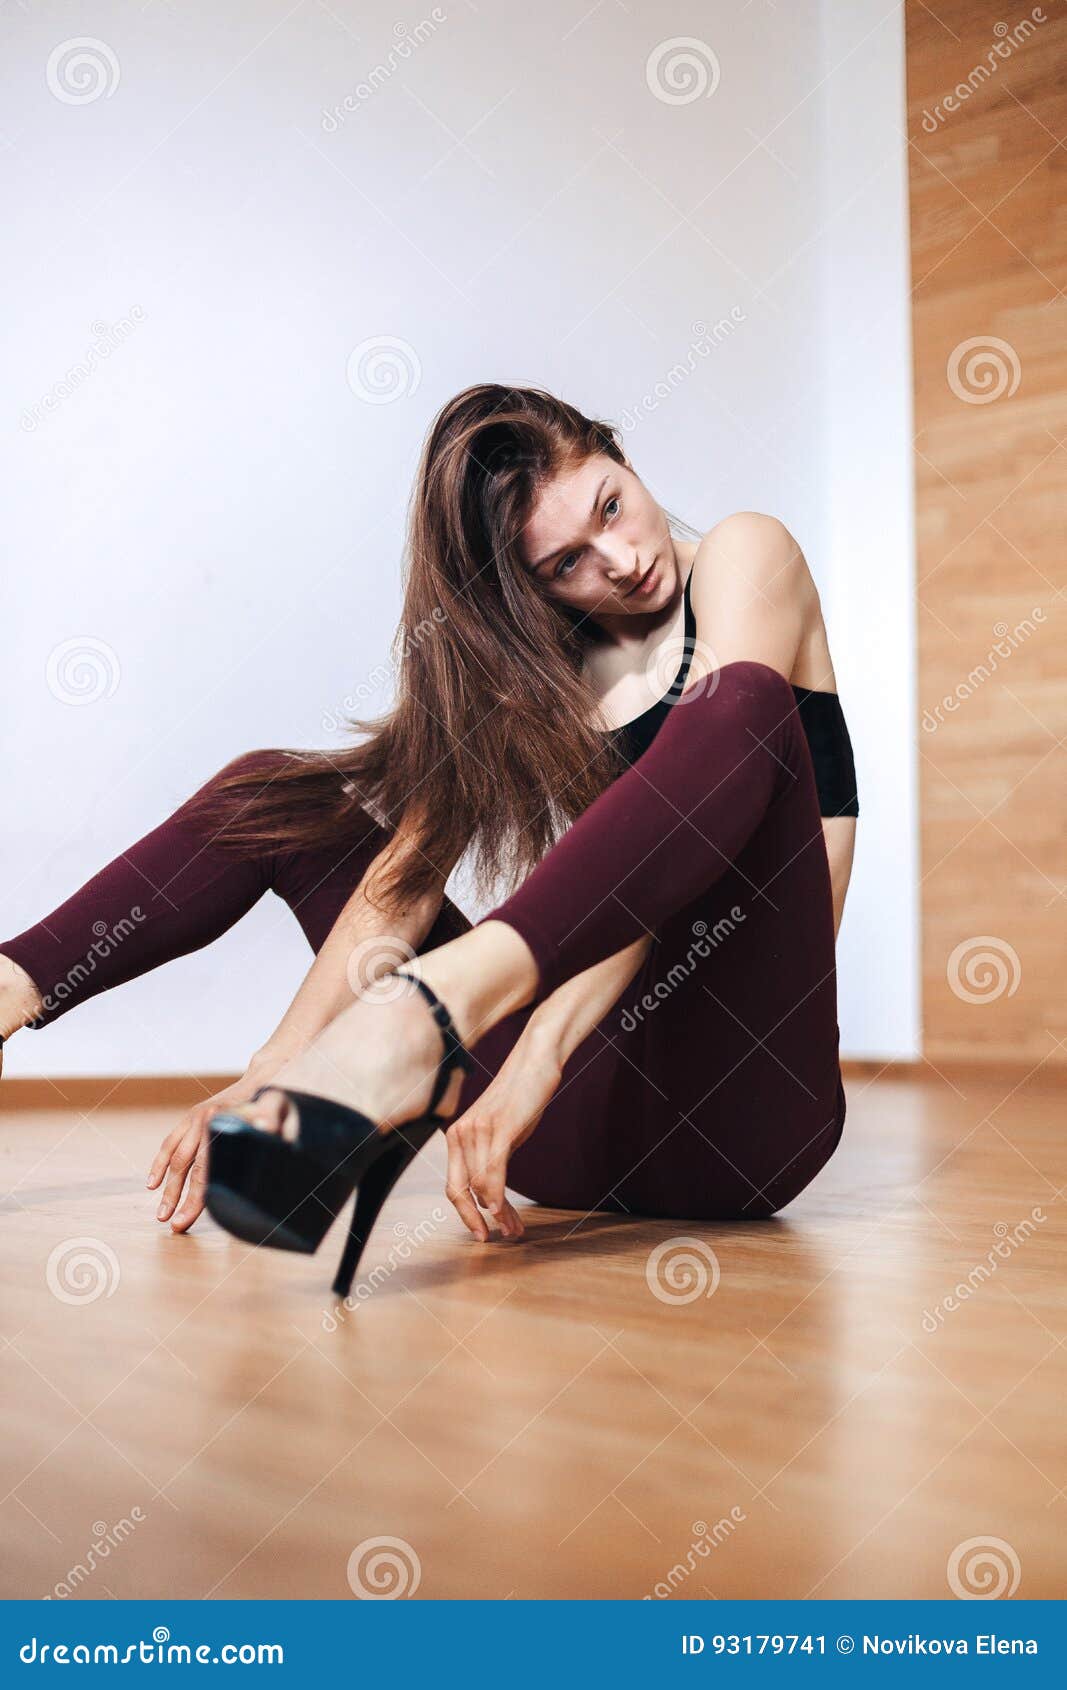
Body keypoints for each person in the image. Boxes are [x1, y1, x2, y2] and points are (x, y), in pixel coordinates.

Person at [0, 383, 858, 1272]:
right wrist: (278, 1067)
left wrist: (530, 1063)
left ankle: (434, 1011)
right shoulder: (532, 672)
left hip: (744, 1116)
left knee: (743, 699)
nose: (622, 558)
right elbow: (398, 885)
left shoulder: (744, 555)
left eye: (611, 505)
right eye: (566, 564)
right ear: (529, 586)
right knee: (271, 797)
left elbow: (680, 869)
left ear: (618, 451)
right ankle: (8, 989)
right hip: (552, 1140)